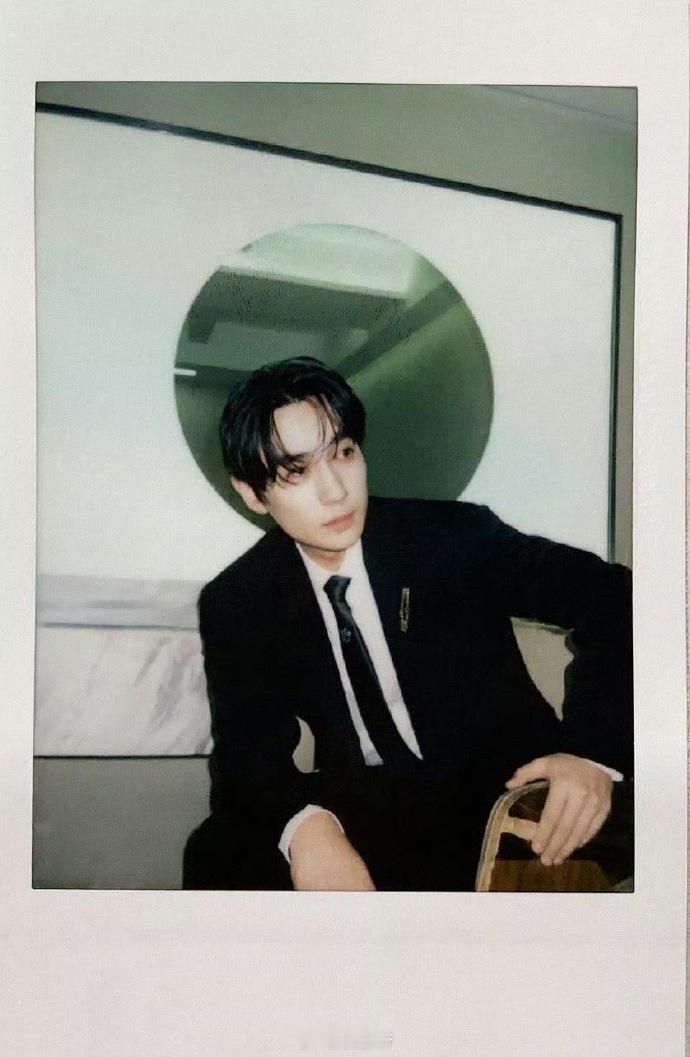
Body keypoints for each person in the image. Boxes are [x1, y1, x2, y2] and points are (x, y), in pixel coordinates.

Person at [183, 357, 632, 891]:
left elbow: (619, 598)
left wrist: (590, 754)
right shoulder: (239, 598)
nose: (335, 491)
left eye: (343, 453)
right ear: (252, 494)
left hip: (502, 789)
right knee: (216, 850)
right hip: (368, 800)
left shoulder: (454, 538)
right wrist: (306, 828)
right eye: (296, 472)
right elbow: (246, 751)